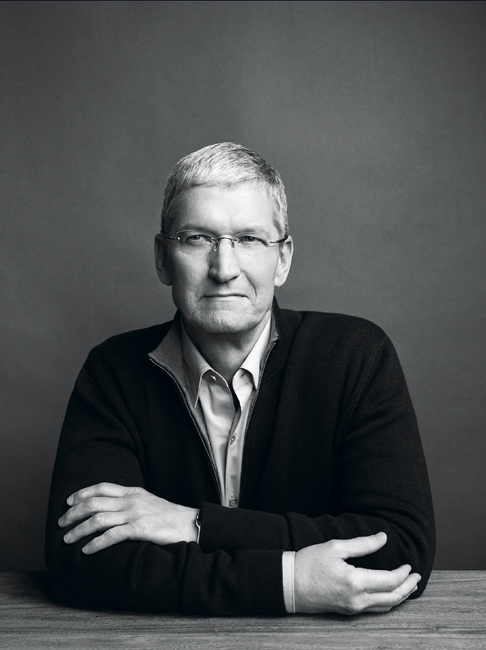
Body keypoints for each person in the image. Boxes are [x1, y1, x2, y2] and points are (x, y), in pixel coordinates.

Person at [45, 142, 435, 616]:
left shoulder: (356, 356)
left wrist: (196, 524)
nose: (224, 269)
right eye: (197, 238)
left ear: (283, 259)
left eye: (249, 239)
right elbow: (80, 562)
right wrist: (291, 582)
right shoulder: (113, 372)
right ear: (163, 258)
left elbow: (401, 545)